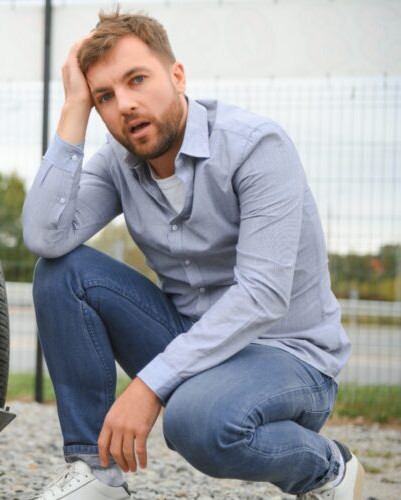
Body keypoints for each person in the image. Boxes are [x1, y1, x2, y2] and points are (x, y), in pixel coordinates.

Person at [22, 10, 361, 500]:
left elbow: (262, 296)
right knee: (62, 272)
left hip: (288, 355)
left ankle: (329, 468)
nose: (126, 104)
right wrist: (75, 106)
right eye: (105, 96)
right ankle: (97, 473)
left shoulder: (255, 147)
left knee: (196, 423)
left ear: (177, 76)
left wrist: (148, 386)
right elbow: (44, 237)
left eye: (137, 80)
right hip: (193, 339)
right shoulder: (119, 161)